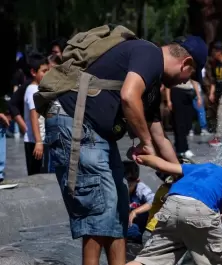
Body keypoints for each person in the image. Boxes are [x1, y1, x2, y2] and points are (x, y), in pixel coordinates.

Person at [45, 34, 207, 265]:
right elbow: (129, 97)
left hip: (96, 133)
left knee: (119, 208)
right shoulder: (149, 54)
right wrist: (145, 143)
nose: (184, 82)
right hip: (75, 122)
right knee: (99, 207)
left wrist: (183, 176)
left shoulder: (151, 84)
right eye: (189, 76)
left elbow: (160, 138)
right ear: (186, 63)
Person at [23, 53, 49, 175]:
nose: (47, 74)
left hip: (40, 141)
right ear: (34, 72)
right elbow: (34, 116)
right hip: (35, 143)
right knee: (37, 178)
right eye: (44, 71)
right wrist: (38, 141)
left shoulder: (38, 89)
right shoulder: (33, 90)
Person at [165, 79, 197, 158]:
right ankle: (182, 149)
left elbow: (194, 80)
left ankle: (179, 145)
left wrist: (198, 96)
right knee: (179, 123)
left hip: (189, 93)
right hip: (176, 91)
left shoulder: (190, 67)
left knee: (188, 123)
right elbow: (167, 83)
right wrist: (168, 100)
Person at [124, 161, 154, 243]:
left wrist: (135, 212)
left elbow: (153, 201)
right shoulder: (118, 189)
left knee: (132, 231)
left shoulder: (141, 189)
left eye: (129, 185)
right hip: (125, 222)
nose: (126, 188)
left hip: (141, 223)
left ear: (137, 181)